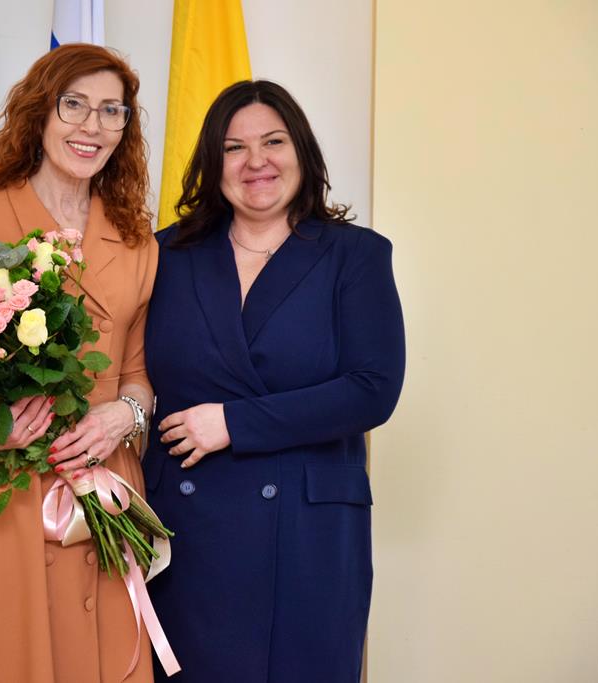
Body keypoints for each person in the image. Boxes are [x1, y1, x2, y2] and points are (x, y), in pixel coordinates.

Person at [0, 44, 157, 683]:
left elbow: (138, 373)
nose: (92, 126)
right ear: (40, 112)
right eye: (74, 105)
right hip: (0, 484)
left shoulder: (138, 239)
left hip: (103, 477)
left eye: (112, 111)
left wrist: (123, 418)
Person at [142, 80, 405, 682]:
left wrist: (233, 423)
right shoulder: (166, 256)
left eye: (273, 142)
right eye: (234, 148)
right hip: (187, 533)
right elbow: (127, 369)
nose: (255, 161)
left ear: (302, 151)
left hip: (307, 537)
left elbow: (373, 388)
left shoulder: (355, 255)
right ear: (213, 164)